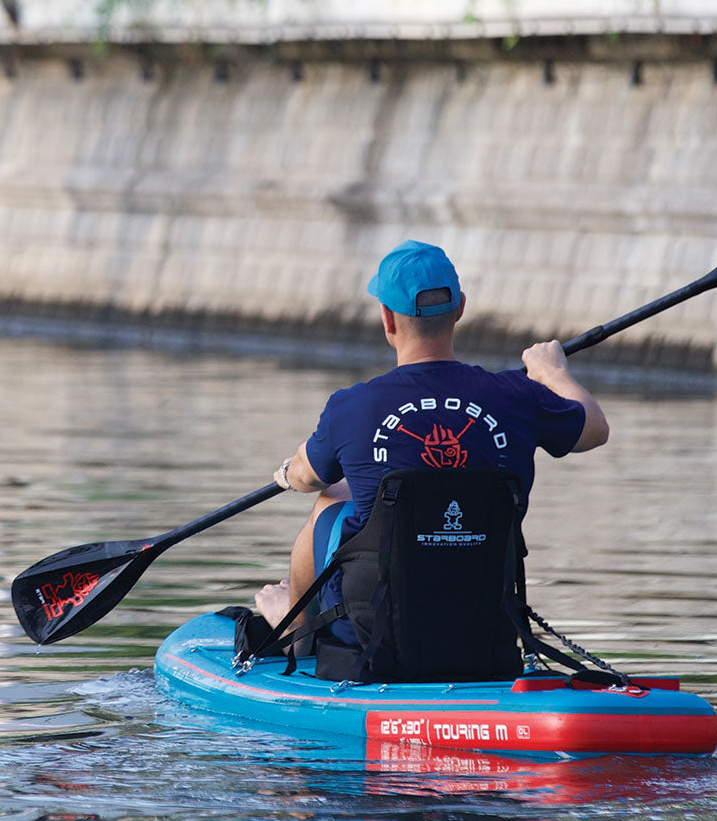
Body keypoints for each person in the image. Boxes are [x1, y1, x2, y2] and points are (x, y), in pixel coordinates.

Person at [254, 239, 609, 645]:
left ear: (387, 319)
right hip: (484, 620)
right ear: (460, 308)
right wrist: (552, 372)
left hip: (373, 628)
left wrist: (286, 473)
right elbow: (595, 429)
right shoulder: (517, 396)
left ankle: (295, 625)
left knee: (330, 499)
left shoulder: (351, 407)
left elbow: (306, 476)